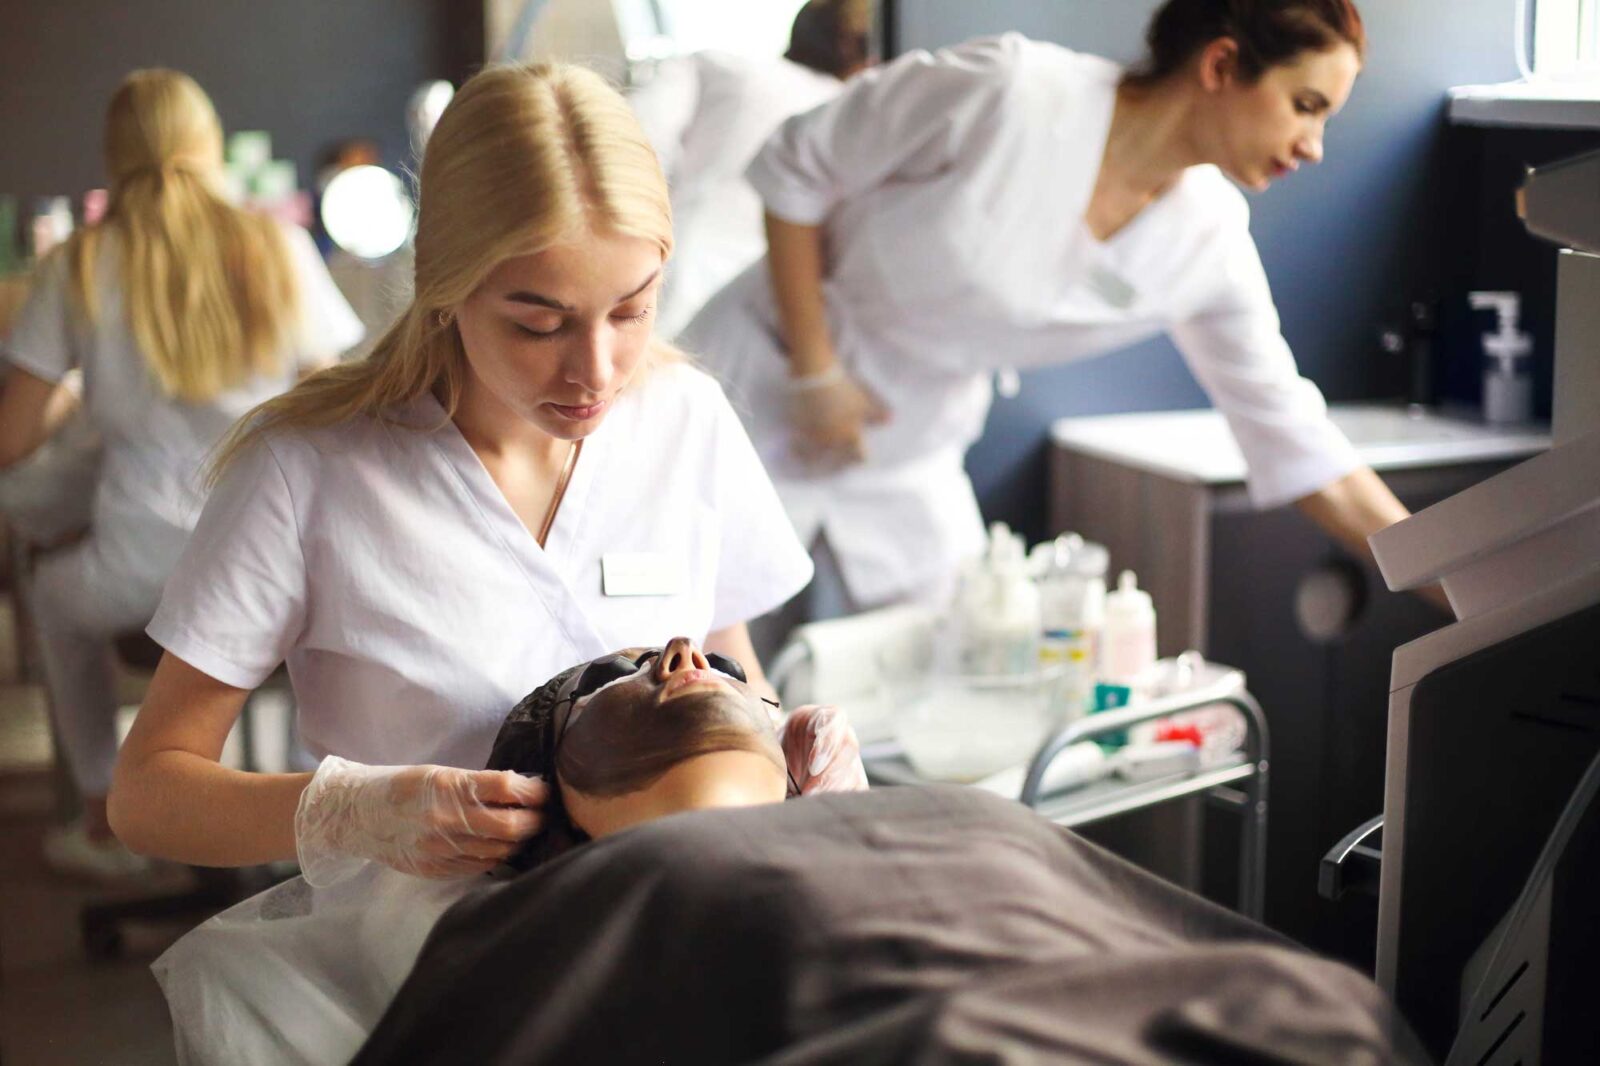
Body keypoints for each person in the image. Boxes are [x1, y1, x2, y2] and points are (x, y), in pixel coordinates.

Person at [108, 62, 864, 897]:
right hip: (416, 963)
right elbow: (146, 795)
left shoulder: (686, 419)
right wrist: (350, 812)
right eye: (539, 323)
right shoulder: (308, 471)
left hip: (660, 928)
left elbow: (729, 672)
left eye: (632, 309)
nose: (598, 370)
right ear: (447, 289)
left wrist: (787, 751)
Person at [683, 0, 1435, 622]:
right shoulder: (1010, 91)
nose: (1315, 147)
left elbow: (1302, 445)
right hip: (760, 384)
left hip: (905, 451)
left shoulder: (1208, 242)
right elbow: (794, 166)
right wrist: (816, 371)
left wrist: (1457, 586)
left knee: (934, 709)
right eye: (1306, 107)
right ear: (1220, 65)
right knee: (701, 690)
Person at [0, 69, 363, 879]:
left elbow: (11, 439)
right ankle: (310, 817)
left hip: (139, 575)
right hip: (278, 574)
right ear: (208, 144)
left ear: (113, 154)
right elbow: (334, 405)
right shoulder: (276, 245)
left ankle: (102, 812)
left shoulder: (80, 264)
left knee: (52, 597)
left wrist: (75, 402)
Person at [629, 0, 874, 338]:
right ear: (853, 48)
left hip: (666, 277)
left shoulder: (716, 66)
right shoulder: (854, 119)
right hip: (770, 321)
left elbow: (636, 142)